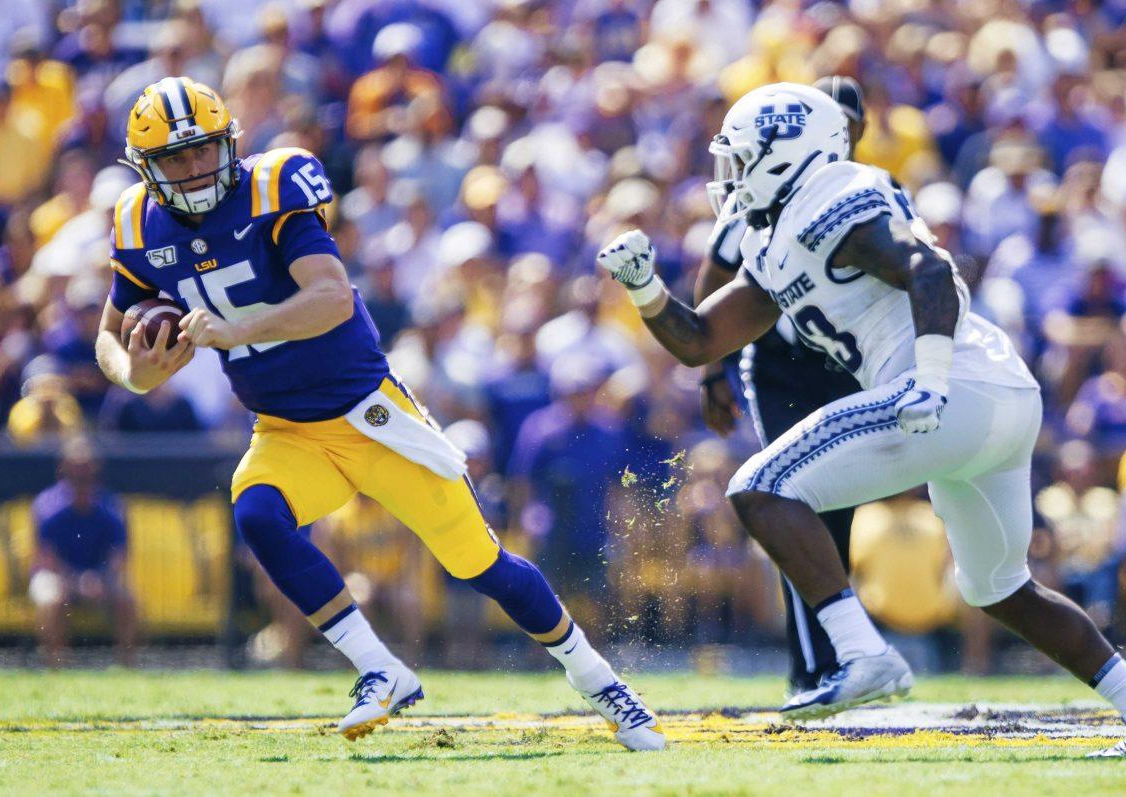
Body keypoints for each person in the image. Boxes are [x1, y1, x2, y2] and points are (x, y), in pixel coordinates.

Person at [92, 77, 662, 750]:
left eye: (204, 151)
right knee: (257, 512)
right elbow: (109, 332)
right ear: (145, 168)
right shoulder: (136, 221)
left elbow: (331, 298)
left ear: (231, 143)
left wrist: (231, 332)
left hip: (369, 413)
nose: (192, 170)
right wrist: (134, 374)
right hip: (284, 428)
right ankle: (380, 668)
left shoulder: (275, 188)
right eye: (175, 159)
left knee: (478, 562)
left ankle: (600, 680)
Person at [596, 81, 1126, 758]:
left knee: (761, 485)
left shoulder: (835, 196)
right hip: (997, 399)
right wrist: (646, 289)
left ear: (788, 155)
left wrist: (930, 379)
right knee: (1001, 587)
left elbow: (928, 269)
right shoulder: (778, 235)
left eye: (744, 158)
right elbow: (703, 339)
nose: (728, 176)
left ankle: (862, 654)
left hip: (947, 386)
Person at [696, 75, 866, 694]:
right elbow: (713, 274)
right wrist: (712, 369)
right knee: (798, 506)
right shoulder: (759, 198)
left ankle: (838, 658)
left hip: (852, 369)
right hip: (781, 370)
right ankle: (816, 665)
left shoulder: (868, 192)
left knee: (836, 515)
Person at [30, 436, 137, 667]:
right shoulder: (47, 505)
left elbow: (118, 556)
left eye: (86, 468)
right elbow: (47, 559)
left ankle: (127, 666)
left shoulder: (111, 505)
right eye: (76, 468)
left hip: (100, 576)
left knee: (127, 598)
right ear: (64, 468)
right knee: (51, 598)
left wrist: (99, 578)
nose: (81, 475)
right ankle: (56, 666)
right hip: (58, 577)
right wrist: (78, 581)